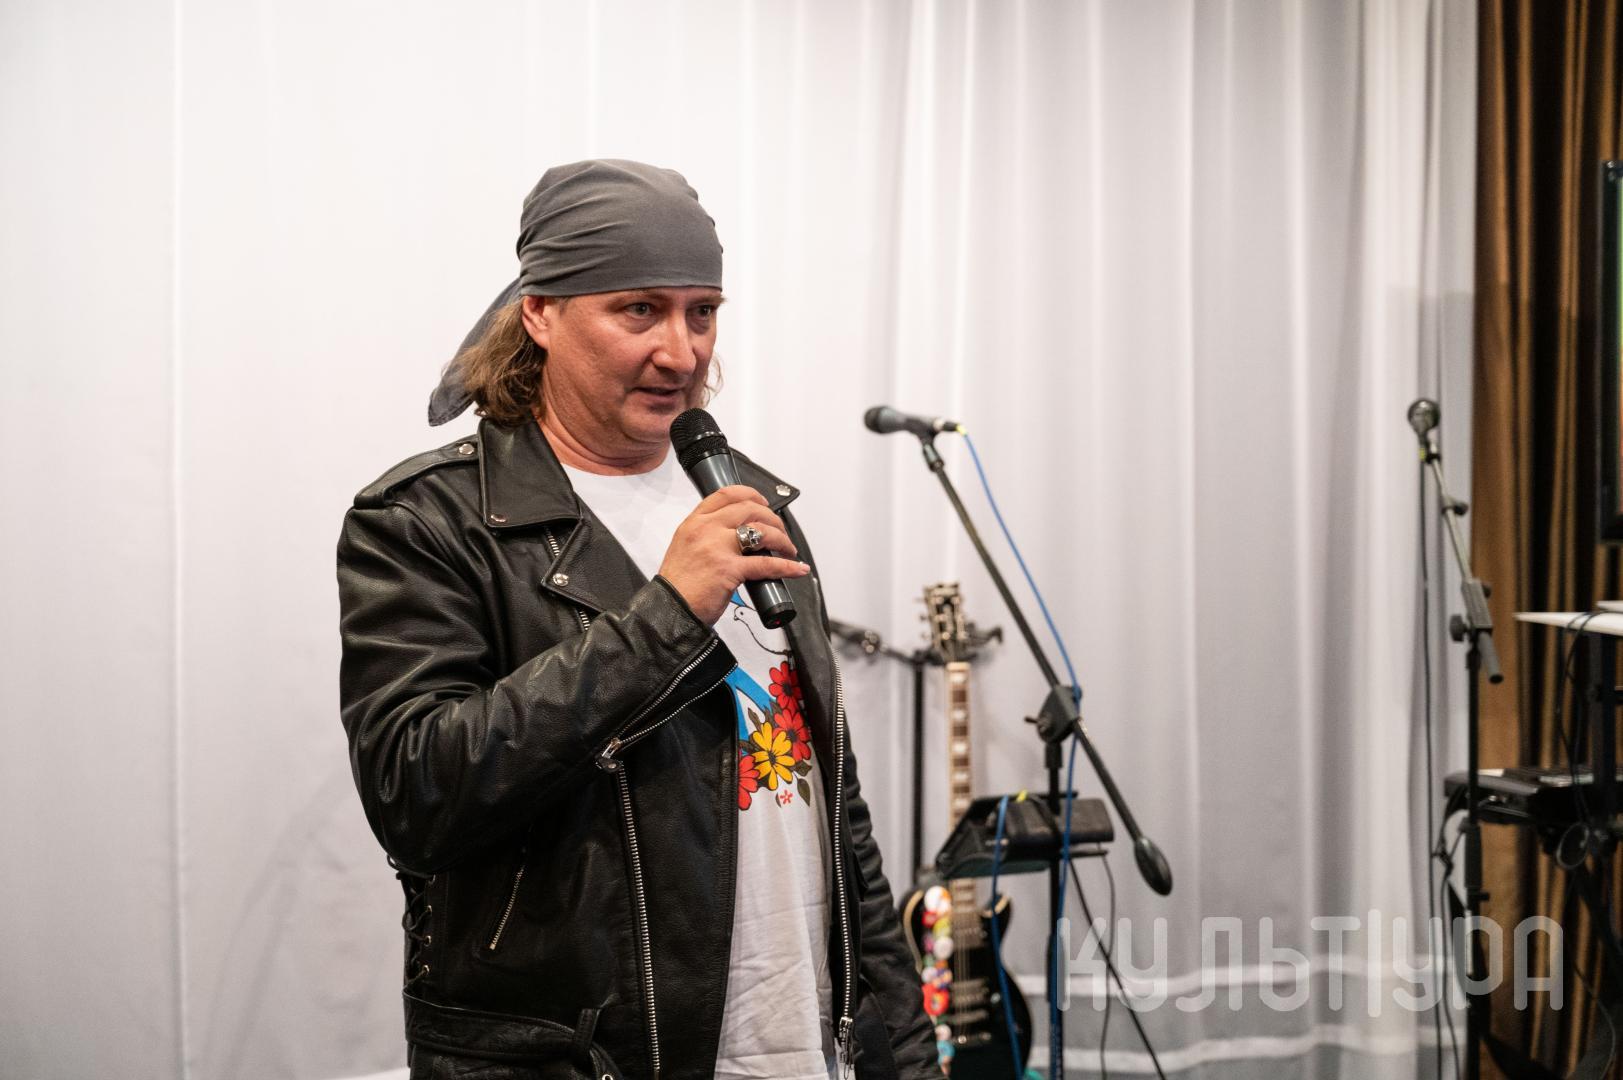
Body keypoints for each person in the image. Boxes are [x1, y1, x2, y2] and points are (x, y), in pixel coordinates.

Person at [337, 159, 939, 1080]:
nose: (681, 351)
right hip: (583, 1058)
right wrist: (665, 614)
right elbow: (418, 792)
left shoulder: (746, 500)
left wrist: (903, 1045)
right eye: (639, 310)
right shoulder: (427, 521)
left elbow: (837, 811)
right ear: (540, 313)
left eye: (702, 312)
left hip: (799, 1046)